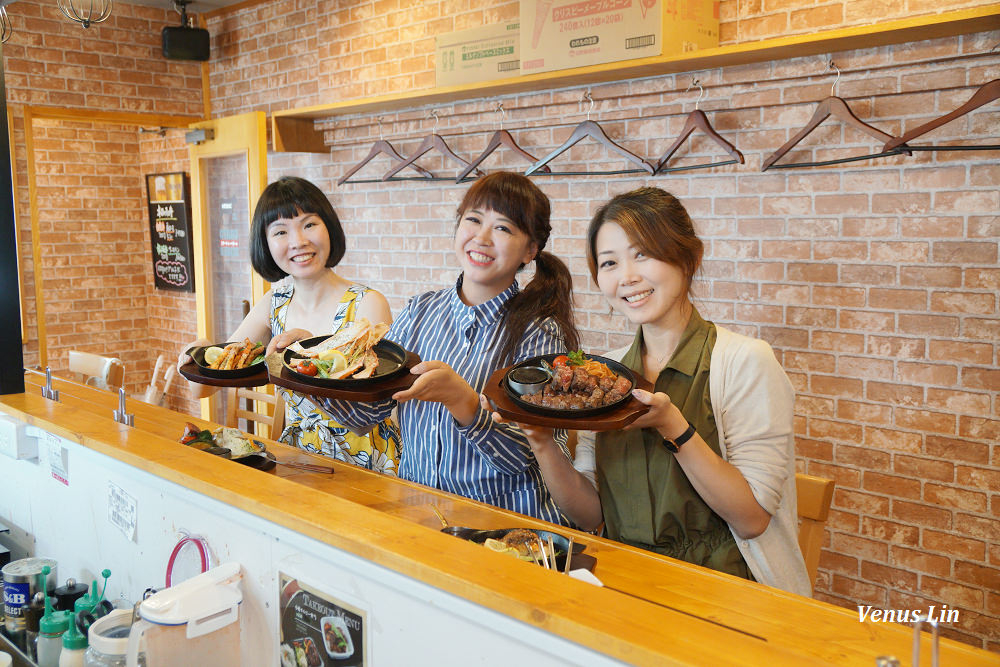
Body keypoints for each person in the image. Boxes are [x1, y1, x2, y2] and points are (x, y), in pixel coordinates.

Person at [486, 186, 811, 594]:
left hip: (729, 589)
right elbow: (591, 514)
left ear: (688, 257)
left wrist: (673, 425)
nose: (627, 277)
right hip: (624, 581)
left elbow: (751, 519)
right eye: (609, 262)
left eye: (642, 254)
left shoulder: (745, 361)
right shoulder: (601, 374)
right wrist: (541, 440)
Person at [293, 172, 580, 524]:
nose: (482, 237)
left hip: (504, 524)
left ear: (531, 250)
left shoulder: (539, 334)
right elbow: (367, 413)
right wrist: (304, 372)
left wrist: (464, 402)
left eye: (503, 228)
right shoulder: (419, 311)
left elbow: (529, 456)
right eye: (473, 220)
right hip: (419, 513)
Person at [178, 176, 402, 473]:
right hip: (300, 459)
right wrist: (199, 351)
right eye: (281, 231)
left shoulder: (367, 304)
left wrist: (306, 361)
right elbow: (203, 389)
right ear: (266, 243)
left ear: (329, 228)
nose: (299, 241)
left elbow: (369, 415)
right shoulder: (275, 302)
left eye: (309, 224)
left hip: (367, 459)